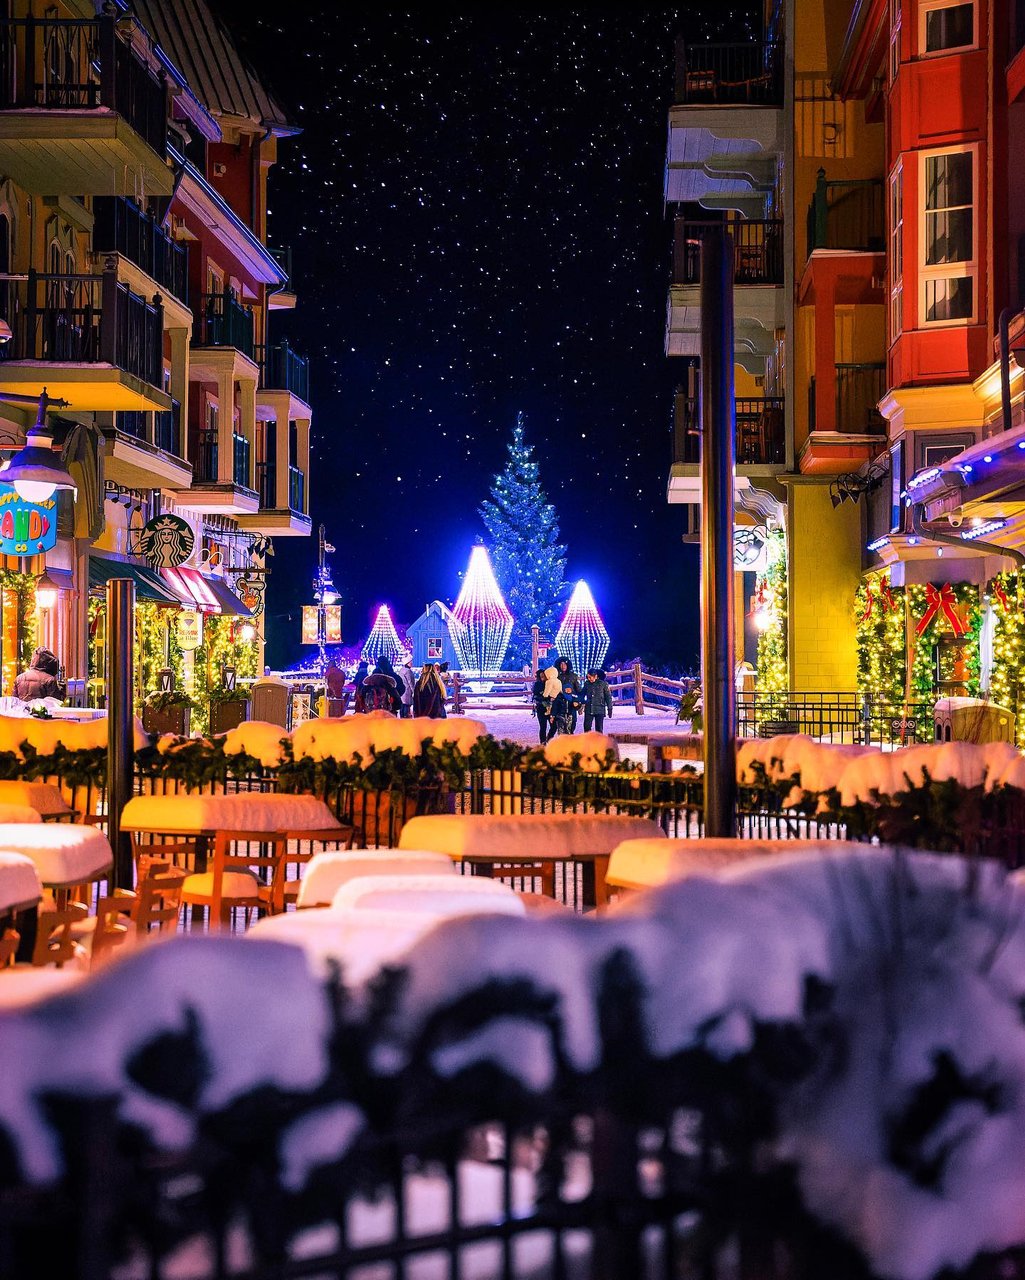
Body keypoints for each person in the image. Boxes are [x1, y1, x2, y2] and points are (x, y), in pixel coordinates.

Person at [532, 665, 561, 744]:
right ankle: (543, 743)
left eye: (543, 676)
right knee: (543, 726)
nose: (542, 678)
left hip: (551, 708)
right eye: (541, 676)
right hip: (541, 708)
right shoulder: (537, 685)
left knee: (554, 726)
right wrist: (544, 698)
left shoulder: (551, 682)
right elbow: (535, 696)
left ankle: (549, 739)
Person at [582, 669, 614, 733]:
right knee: (587, 726)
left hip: (600, 708)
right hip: (589, 708)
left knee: (599, 728)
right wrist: (579, 702)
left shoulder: (603, 684)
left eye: (590, 677)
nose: (589, 679)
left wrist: (610, 708)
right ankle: (587, 741)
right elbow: (582, 694)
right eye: (588, 677)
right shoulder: (587, 684)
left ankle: (599, 741)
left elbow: (608, 697)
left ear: (595, 676)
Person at [554, 657, 581, 732]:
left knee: (572, 725)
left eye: (565, 664)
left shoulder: (573, 676)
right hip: (559, 704)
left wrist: (578, 702)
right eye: (561, 664)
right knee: (560, 726)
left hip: (571, 704)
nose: (563, 666)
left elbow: (579, 691)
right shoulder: (556, 677)